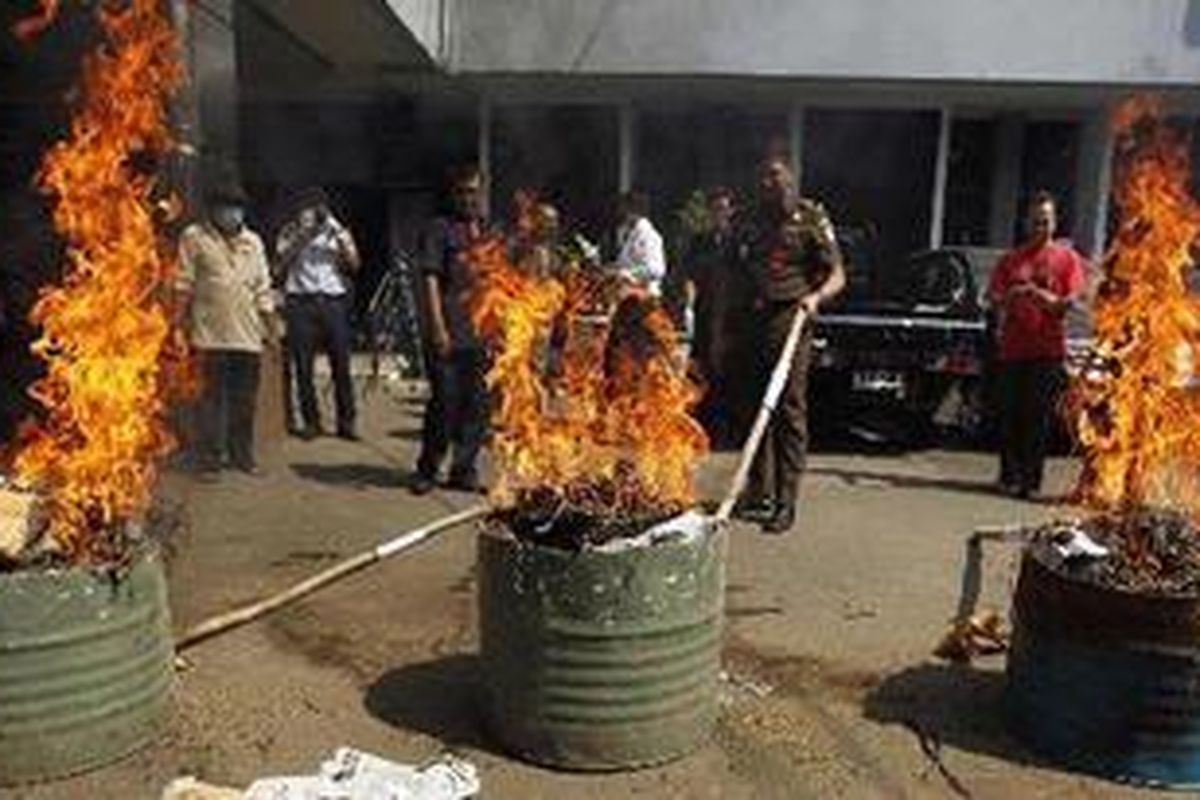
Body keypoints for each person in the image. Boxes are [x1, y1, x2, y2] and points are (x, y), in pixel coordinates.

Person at [738, 157, 846, 534]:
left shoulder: (811, 217)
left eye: (780, 179)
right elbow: (742, 270)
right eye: (767, 180)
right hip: (755, 319)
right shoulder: (753, 220)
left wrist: (816, 298)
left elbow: (837, 274)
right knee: (755, 406)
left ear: (793, 181)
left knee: (788, 409)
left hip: (793, 318)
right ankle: (758, 492)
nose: (774, 186)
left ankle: (786, 502)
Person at [987, 191, 1087, 499]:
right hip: (1013, 350)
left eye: (1045, 221)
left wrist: (1045, 298)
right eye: (1034, 221)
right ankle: (1008, 476)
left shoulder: (1066, 259)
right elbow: (992, 297)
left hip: (1047, 352)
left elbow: (1071, 301)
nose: (1039, 227)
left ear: (1054, 224)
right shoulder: (1010, 260)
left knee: (1037, 419)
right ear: (1024, 223)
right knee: (1009, 414)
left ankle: (1030, 482)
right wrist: (1010, 297)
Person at [176, 173, 275, 475]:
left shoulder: (254, 242)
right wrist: (177, 327)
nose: (232, 212)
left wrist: (272, 331)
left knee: (244, 403)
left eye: (236, 207)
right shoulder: (194, 237)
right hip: (208, 337)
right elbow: (183, 285)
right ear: (213, 209)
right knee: (210, 404)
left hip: (248, 337)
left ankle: (242, 456)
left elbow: (263, 290)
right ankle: (210, 460)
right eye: (225, 206)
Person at [411, 166, 493, 495]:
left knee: (476, 405)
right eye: (462, 192)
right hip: (448, 331)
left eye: (474, 191)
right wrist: (438, 328)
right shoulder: (439, 229)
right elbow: (430, 279)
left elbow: (499, 284)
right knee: (444, 402)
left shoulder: (489, 234)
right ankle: (428, 469)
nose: (468, 198)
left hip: (481, 334)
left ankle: (463, 469)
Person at [275, 187, 361, 441]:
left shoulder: (337, 232)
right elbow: (281, 264)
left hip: (333, 301)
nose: (312, 213)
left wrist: (337, 234)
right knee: (303, 366)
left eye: (317, 209)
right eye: (307, 208)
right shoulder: (290, 231)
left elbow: (355, 264)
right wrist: (307, 233)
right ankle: (312, 422)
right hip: (301, 301)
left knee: (341, 365)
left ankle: (347, 422)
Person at [681, 187, 751, 447]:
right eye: (714, 209)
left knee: (729, 373)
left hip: (732, 316)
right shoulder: (700, 241)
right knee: (701, 371)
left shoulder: (739, 241)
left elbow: (747, 277)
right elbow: (689, 274)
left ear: (731, 211)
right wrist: (688, 299)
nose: (718, 214)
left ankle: (728, 433)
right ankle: (702, 429)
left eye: (723, 209)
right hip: (705, 312)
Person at [615, 190, 667, 297]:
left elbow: (657, 269)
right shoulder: (625, 232)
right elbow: (627, 261)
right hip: (626, 291)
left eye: (624, 209)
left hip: (645, 295)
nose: (621, 213)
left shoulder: (650, 236)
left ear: (634, 210)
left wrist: (627, 273)